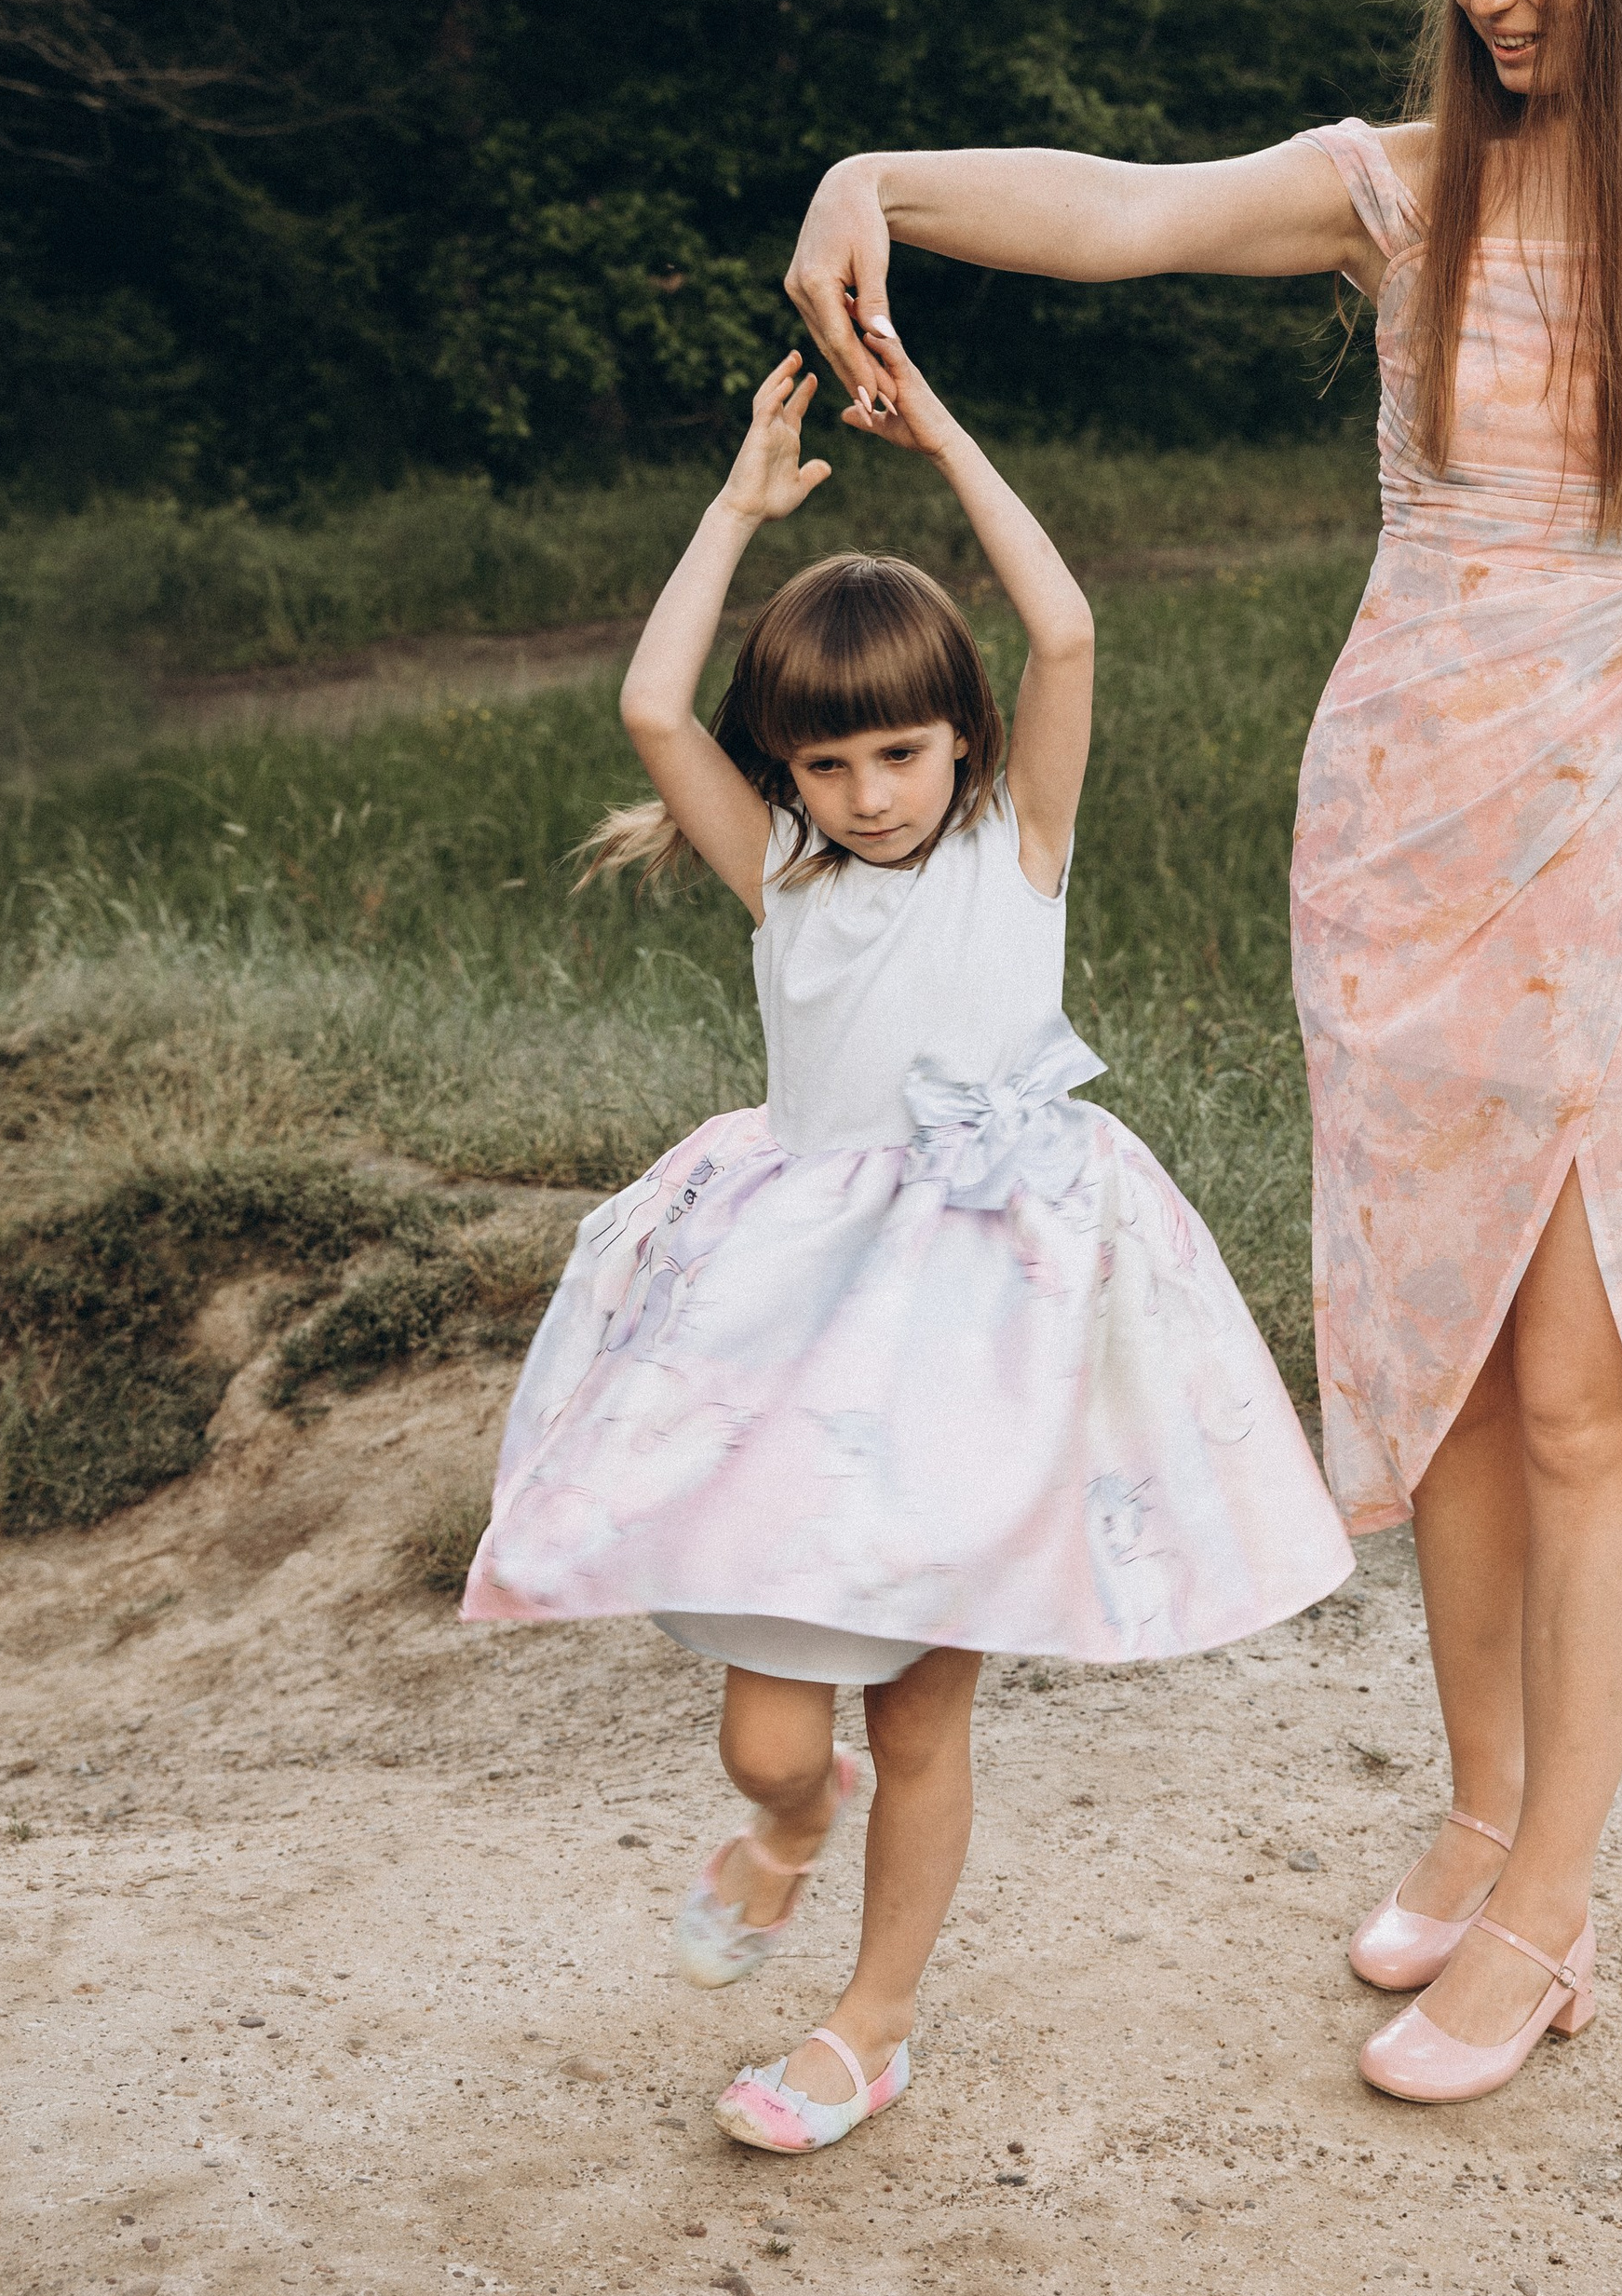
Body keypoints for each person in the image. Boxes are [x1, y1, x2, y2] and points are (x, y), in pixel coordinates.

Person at [784, 0, 1622, 2108]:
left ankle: (1547, 1913)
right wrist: (874, 176)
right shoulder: (1403, 189)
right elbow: (1122, 209)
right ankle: (1468, 1818)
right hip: (1397, 833)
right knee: (1436, 1376)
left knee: (1579, 1387)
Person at [461, 331, 1352, 2154]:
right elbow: (648, 710)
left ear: (963, 743)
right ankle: (789, 1830)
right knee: (775, 1736)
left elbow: (1071, 632)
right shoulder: (781, 872)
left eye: (899, 752)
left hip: (983, 1332)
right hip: (797, 1319)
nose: (869, 793)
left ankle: (868, 2027)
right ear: (784, 768)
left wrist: (941, 430)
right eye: (829, 760)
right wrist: (733, 504)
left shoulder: (1013, 848)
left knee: (928, 1715)